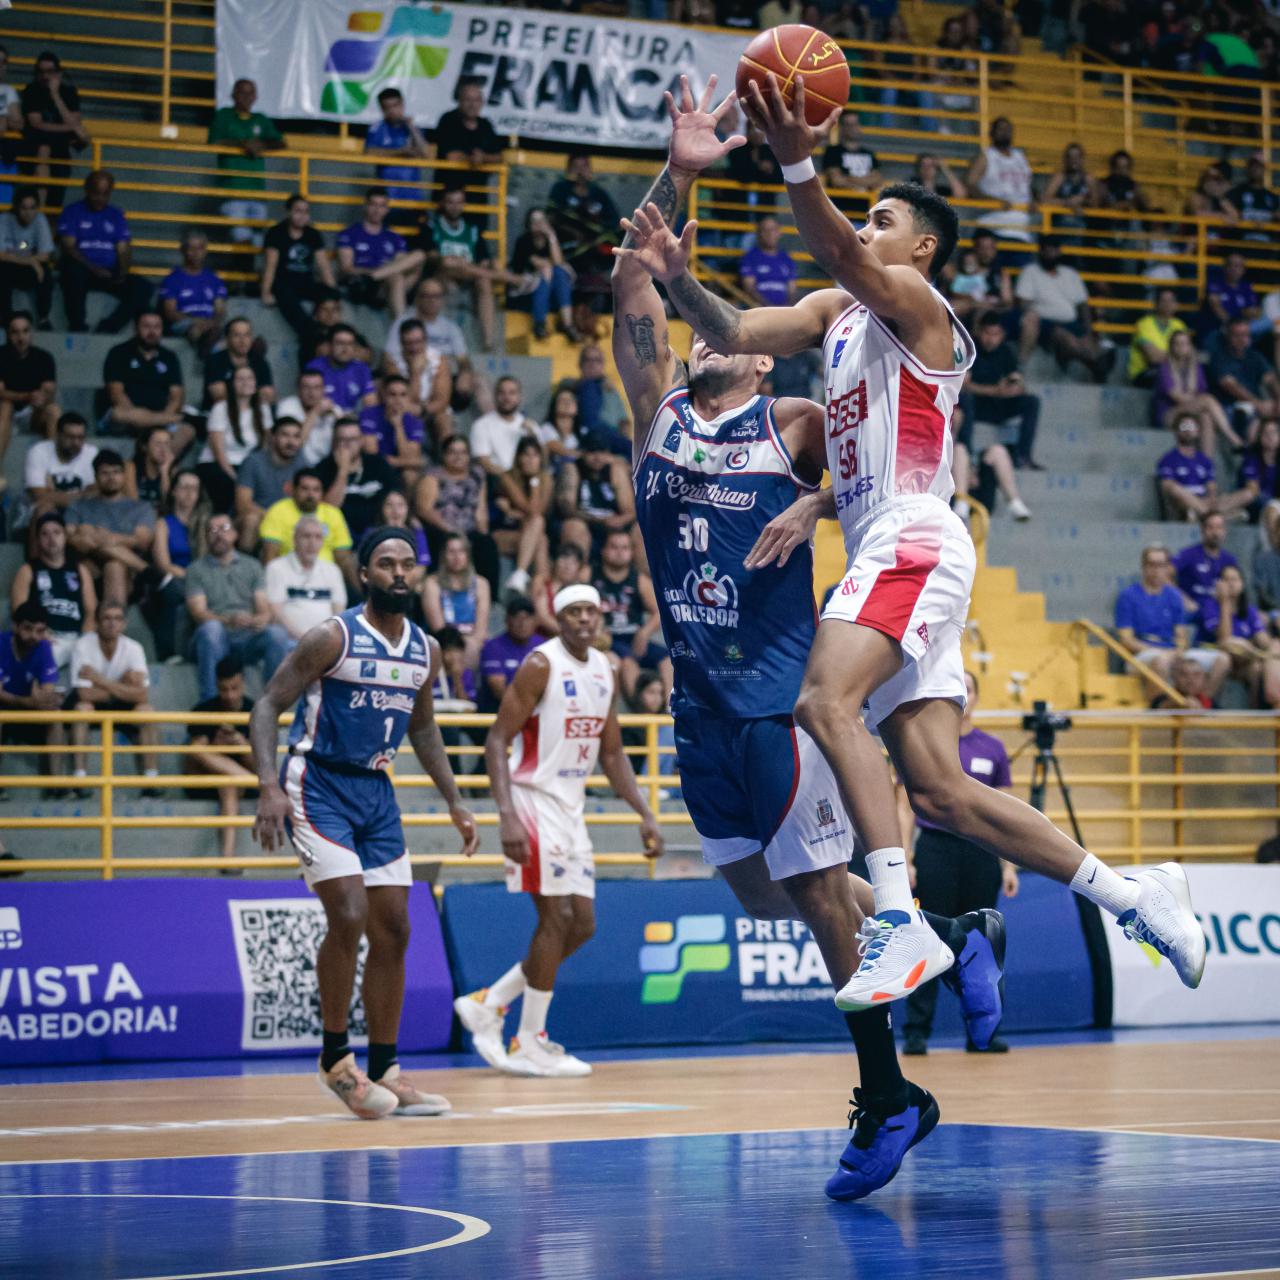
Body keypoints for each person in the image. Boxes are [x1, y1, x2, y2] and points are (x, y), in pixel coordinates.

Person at [640, 75, 1203, 1043]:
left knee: (821, 701)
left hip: (911, 533)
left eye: (883, 217)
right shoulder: (839, 311)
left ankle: (897, 920)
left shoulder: (917, 305)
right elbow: (732, 332)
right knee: (939, 788)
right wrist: (673, 275)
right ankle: (1132, 893)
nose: (868, 224)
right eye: (868, 215)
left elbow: (841, 253)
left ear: (921, 247)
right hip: (885, 539)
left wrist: (795, 158)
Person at [610, 81, 1015, 1205]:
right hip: (697, 704)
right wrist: (681, 168)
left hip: (780, 697)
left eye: (730, 344)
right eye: (701, 341)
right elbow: (639, 283)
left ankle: (888, 1093)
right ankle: (951, 920)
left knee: (829, 907)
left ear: (761, 371)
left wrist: (816, 506)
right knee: (765, 900)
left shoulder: (787, 421)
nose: (709, 347)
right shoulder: (655, 416)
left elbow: (875, 463)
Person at [251, 527, 478, 1118]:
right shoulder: (333, 637)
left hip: (375, 791)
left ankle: (386, 1069)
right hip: (318, 781)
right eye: (386, 563)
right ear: (365, 574)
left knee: (396, 928)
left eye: (408, 563)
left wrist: (454, 800)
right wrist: (268, 786)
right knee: (349, 912)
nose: (399, 572)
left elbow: (423, 729)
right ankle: (335, 1062)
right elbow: (267, 705)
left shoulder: (425, 649)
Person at [456, 585, 662, 1077]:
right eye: (574, 612)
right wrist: (505, 814)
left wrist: (645, 813)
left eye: (592, 610)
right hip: (530, 799)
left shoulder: (606, 671)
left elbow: (611, 754)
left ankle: (491, 1001)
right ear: (559, 618)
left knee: (582, 924)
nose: (585, 619)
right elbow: (496, 741)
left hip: (570, 807)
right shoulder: (539, 665)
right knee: (556, 916)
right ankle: (529, 1039)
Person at [901, 671, 1017, 1056]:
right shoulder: (926, 743)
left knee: (983, 943)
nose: (963, 695)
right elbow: (903, 806)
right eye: (958, 689)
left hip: (981, 851)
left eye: (969, 689)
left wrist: (1009, 865)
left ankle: (983, 1032)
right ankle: (917, 1030)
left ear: (978, 697)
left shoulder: (993, 748)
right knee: (928, 938)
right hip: (936, 848)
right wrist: (906, 856)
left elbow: (1006, 812)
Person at [185, 511, 290, 700]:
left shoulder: (252, 566)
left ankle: (274, 702)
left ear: (235, 534)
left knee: (277, 634)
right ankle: (209, 701)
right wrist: (229, 620)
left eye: (224, 528)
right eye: (212, 530)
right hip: (216, 637)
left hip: (247, 636)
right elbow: (198, 614)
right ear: (206, 536)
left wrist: (259, 620)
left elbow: (264, 609)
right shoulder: (195, 570)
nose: (218, 534)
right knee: (211, 629)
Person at [1115, 544, 1229, 699]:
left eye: (1161, 565)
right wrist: (1162, 653)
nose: (1156, 570)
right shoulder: (1127, 596)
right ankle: (1158, 715)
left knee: (1222, 660)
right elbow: (1126, 640)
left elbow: (1181, 636)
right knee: (1161, 661)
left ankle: (1201, 705)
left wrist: (1178, 652)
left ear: (1167, 568)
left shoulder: (1174, 596)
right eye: (1151, 565)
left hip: (1172, 652)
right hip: (1140, 656)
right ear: (1143, 567)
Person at [66, 599, 158, 787]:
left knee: (146, 710)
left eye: (117, 618)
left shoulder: (134, 648)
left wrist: (100, 680)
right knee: (82, 708)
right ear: (97, 622)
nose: (112, 623)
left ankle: (151, 780)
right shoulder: (82, 645)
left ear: (124, 623)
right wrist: (123, 685)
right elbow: (84, 694)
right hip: (95, 704)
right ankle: (80, 778)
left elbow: (142, 695)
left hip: (117, 703)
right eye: (106, 618)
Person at [416, 188, 518, 352]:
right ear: (442, 203)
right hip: (442, 277)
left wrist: (465, 266)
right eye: (450, 202)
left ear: (464, 204)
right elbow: (433, 257)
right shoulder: (432, 226)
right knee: (449, 262)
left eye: (459, 202)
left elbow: (483, 261)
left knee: (484, 281)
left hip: (470, 278)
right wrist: (459, 262)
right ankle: (514, 279)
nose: (454, 207)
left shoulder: (472, 229)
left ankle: (488, 342)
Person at [57, 170, 150, 334]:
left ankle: (109, 327)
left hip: (108, 272)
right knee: (71, 271)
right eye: (96, 193)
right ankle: (77, 325)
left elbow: (123, 248)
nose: (100, 198)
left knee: (143, 287)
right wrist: (94, 268)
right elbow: (68, 247)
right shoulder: (72, 212)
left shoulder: (116, 214)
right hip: (82, 270)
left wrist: (122, 272)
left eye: (105, 194)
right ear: (87, 190)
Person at [187, 656, 256, 867]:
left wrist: (242, 746)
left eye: (234, 688)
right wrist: (217, 747)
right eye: (223, 689)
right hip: (206, 780)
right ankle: (247, 779)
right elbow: (194, 759)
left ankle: (227, 859)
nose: (229, 695)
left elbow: (260, 765)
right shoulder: (203, 710)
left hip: (241, 785)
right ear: (216, 685)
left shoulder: (256, 711)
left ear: (243, 682)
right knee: (197, 748)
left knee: (229, 784)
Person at [1016, 238, 1115, 381]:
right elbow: (1023, 302)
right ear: (1040, 251)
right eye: (1047, 249)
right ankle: (1095, 361)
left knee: (1085, 340)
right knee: (1063, 336)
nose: (1050, 253)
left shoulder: (1071, 274)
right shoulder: (1030, 271)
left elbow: (1083, 305)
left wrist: (1088, 332)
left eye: (1053, 249)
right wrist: (1033, 315)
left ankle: (1093, 360)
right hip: (1045, 323)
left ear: (1059, 252)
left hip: (1071, 323)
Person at [65, 449, 154, 605]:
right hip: (87, 568)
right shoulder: (79, 506)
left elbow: (142, 541)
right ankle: (147, 570)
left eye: (116, 472)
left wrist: (99, 537)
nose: (111, 478)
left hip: (128, 573)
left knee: (114, 564)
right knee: (85, 531)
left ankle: (112, 623)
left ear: (124, 475)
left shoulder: (141, 507)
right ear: (95, 477)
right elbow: (70, 539)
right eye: (105, 473)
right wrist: (119, 539)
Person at [11, 512, 95, 672]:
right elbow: (19, 611)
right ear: (37, 541)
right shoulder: (28, 570)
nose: (51, 538)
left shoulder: (80, 570)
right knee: (44, 660)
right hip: (45, 637)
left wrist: (86, 640)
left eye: (56, 532)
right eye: (45, 534)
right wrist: (40, 633)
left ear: (65, 537)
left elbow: (91, 611)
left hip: (76, 637)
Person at [592, 525, 668, 701]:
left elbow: (659, 612)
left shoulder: (640, 580)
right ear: (603, 550)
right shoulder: (590, 574)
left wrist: (645, 632)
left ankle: (670, 713)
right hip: (606, 638)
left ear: (632, 552)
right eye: (614, 547)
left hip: (634, 637)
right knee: (627, 661)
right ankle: (639, 715)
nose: (619, 552)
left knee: (667, 659)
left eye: (625, 548)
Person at [414, 434, 500, 589]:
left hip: (469, 529)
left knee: (486, 544)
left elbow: (480, 508)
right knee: (444, 542)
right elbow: (424, 509)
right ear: (444, 455)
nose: (458, 457)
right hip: (441, 529)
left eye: (462, 452)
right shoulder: (433, 476)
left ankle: (490, 597)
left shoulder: (477, 474)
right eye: (452, 452)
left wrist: (483, 531)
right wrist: (452, 530)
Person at [207, 78, 284, 248]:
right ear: (233, 95)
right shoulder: (223, 116)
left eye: (250, 93)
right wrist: (243, 144)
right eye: (242, 92)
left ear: (256, 97)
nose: (246, 97)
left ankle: (253, 273)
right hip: (232, 191)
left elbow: (281, 143)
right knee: (241, 238)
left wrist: (262, 145)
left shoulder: (261, 119)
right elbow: (214, 142)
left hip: (257, 192)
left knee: (259, 243)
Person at [102, 310, 189, 451]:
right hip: (129, 417)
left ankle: (163, 465)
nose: (152, 332)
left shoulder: (170, 357)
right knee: (118, 414)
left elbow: (176, 396)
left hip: (162, 417)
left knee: (187, 430)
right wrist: (159, 419)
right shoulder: (118, 353)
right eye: (146, 326)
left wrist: (160, 418)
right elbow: (116, 395)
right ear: (136, 328)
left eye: (157, 327)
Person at [966, 311, 1042, 470]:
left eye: (996, 334)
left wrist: (1016, 387)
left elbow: (1016, 378)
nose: (991, 339)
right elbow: (963, 385)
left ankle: (1023, 456)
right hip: (977, 406)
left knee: (1032, 401)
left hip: (1000, 405)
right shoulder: (970, 350)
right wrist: (995, 391)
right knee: (965, 399)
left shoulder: (1006, 351)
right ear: (980, 332)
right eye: (987, 333)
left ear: (1002, 335)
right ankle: (967, 455)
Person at [0, 601, 64, 785]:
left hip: (26, 708)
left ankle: (56, 784)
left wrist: (44, 698)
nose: (33, 636)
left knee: (55, 717)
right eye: (28, 629)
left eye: (40, 630)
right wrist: (27, 701)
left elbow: (47, 692)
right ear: (15, 626)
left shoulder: (44, 647)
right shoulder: (1, 644)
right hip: (6, 707)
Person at [1198, 563, 1280, 706]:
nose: (1230, 584)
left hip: (1244, 660)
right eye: (1226, 579)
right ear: (1218, 584)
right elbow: (1224, 640)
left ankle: (1255, 714)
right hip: (1214, 654)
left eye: (1235, 579)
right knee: (1232, 646)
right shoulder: (1210, 605)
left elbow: (1263, 641)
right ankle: (1203, 704)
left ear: (1242, 584)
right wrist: (1225, 603)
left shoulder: (1249, 610)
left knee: (1257, 667)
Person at [258, 469, 355, 589]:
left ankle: (363, 598)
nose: (310, 495)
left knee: (352, 562)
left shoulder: (333, 514)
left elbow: (342, 557)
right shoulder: (278, 510)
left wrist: (336, 584)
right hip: (289, 574)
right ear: (294, 490)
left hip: (326, 576)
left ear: (322, 493)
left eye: (316, 490)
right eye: (305, 489)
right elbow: (270, 554)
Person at [148, 468, 207, 663]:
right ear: (173, 491)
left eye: (194, 488)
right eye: (184, 487)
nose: (190, 493)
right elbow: (163, 563)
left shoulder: (205, 522)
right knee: (174, 590)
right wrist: (191, 576)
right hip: (174, 577)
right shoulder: (164, 524)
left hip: (201, 579)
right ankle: (169, 652)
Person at [336, 187, 422, 318]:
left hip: (386, 284)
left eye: (382, 206)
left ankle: (376, 276)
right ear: (365, 206)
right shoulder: (350, 234)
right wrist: (370, 272)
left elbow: (402, 265)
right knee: (397, 277)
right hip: (364, 286)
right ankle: (402, 327)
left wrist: (380, 273)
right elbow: (346, 268)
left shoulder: (394, 238)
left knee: (419, 256)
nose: (377, 210)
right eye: (373, 205)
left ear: (387, 209)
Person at [315, 415, 403, 543]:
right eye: (342, 439)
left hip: (378, 530)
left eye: (353, 439)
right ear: (334, 442)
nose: (348, 444)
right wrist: (343, 471)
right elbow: (328, 510)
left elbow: (396, 497)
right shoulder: (323, 468)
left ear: (361, 440)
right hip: (340, 534)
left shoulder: (378, 463)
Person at [261, 194, 335, 341]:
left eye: (306, 212)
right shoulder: (276, 233)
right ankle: (310, 332)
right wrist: (265, 293)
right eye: (298, 211)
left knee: (329, 294)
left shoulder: (313, 234)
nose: (302, 216)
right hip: (283, 283)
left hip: (305, 283)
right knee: (287, 298)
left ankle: (332, 331)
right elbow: (270, 266)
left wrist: (333, 293)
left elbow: (324, 266)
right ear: (288, 212)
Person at [201, 364, 274, 515]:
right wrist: (239, 479)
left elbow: (267, 446)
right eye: (240, 379)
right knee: (227, 485)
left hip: (248, 466)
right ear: (232, 384)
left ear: (255, 384)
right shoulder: (220, 408)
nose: (245, 382)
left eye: (250, 378)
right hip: (220, 466)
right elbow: (219, 454)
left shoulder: (263, 409)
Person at [19, 51, 88, 211]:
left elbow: (75, 122)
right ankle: (40, 212)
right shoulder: (31, 91)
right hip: (37, 147)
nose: (45, 76)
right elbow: (36, 124)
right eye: (41, 72)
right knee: (43, 148)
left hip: (60, 150)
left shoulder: (69, 92)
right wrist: (70, 128)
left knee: (56, 205)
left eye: (50, 72)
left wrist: (55, 95)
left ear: (59, 73)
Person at [265, 514, 347, 648]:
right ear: (295, 539)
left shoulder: (333, 570)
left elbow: (338, 613)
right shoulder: (276, 568)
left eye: (318, 537)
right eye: (306, 536)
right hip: (290, 641)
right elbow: (276, 613)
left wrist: (324, 639)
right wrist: (304, 639)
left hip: (325, 642)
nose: (312, 543)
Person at [554, 430, 635, 558]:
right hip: (584, 521)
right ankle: (578, 575)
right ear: (583, 453)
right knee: (574, 526)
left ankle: (646, 577)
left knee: (640, 531)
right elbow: (567, 510)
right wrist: (597, 520)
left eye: (602, 452)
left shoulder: (615, 470)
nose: (597, 457)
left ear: (608, 454)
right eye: (592, 452)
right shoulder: (572, 468)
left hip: (612, 525)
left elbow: (630, 511)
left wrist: (620, 520)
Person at [1156, 330, 1240, 452]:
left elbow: (1200, 393)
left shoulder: (1196, 368)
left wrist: (1200, 401)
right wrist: (1200, 401)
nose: (1181, 347)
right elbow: (1178, 398)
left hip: (1189, 418)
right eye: (1177, 344)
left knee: (1206, 417)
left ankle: (1207, 465)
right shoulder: (1164, 368)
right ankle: (1233, 438)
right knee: (1207, 400)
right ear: (1171, 347)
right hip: (1169, 416)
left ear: (1190, 346)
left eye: (1184, 344)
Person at [549, 153, 620, 289]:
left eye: (584, 167)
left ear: (590, 170)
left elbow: (614, 220)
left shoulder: (598, 192)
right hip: (570, 244)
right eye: (576, 167)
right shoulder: (560, 189)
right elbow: (552, 217)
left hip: (596, 243)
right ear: (568, 170)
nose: (580, 171)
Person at [491, 435, 551, 597]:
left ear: (541, 458)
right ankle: (543, 592)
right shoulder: (507, 478)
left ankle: (522, 576)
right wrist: (535, 483)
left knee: (541, 539)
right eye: (526, 454)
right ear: (518, 457)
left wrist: (535, 482)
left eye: (534, 455)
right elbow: (531, 510)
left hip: (528, 535)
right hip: (502, 534)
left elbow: (538, 511)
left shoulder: (546, 480)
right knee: (538, 524)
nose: (530, 460)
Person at [235, 416, 305, 552]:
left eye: (296, 436)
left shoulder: (302, 465)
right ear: (272, 437)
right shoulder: (253, 462)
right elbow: (243, 504)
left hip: (287, 524)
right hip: (260, 519)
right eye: (285, 435)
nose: (291, 442)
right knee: (251, 520)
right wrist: (275, 518)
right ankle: (246, 569)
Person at [422, 532, 491, 669]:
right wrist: (460, 647)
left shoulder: (481, 583)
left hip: (474, 643)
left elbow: (481, 628)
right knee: (453, 655)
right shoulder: (432, 583)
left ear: (468, 555)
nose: (456, 557)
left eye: (461, 551)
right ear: (443, 556)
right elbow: (438, 628)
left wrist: (472, 644)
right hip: (445, 643)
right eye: (451, 551)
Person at [509, 208, 578, 341]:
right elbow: (538, 263)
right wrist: (549, 265)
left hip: (551, 287)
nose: (538, 224)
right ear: (528, 224)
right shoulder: (524, 241)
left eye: (541, 220)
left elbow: (557, 262)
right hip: (526, 288)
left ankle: (568, 324)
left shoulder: (551, 239)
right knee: (547, 271)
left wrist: (551, 236)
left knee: (559, 272)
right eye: (534, 221)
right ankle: (539, 323)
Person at [0, 311, 59, 467]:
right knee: (6, 406)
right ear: (7, 333)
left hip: (31, 415)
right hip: (4, 415)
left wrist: (42, 398)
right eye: (15, 332)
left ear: (31, 332)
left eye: (25, 331)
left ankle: (52, 470)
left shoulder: (44, 358)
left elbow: (49, 392)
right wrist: (26, 396)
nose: (21, 338)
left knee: (53, 411)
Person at [381, 318, 452, 444]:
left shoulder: (439, 360)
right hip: (401, 408)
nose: (414, 348)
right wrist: (415, 373)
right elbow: (404, 398)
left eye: (418, 342)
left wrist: (422, 410)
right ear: (401, 343)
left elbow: (442, 400)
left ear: (425, 340)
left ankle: (447, 461)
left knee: (444, 419)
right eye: (409, 343)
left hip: (429, 409)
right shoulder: (392, 362)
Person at [157, 230, 227, 358]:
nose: (196, 253)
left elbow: (220, 310)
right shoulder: (172, 279)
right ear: (183, 251)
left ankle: (208, 349)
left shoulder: (214, 279)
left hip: (210, 323)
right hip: (185, 323)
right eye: (191, 248)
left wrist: (212, 322)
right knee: (196, 330)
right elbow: (170, 312)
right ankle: (210, 352)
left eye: (200, 248)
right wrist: (196, 321)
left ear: (205, 251)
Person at [1209, 317, 1280, 440]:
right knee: (1255, 420)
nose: (1242, 339)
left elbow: (1270, 379)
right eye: (1237, 335)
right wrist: (1258, 404)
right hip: (1229, 408)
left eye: (1246, 335)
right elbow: (1231, 385)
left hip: (1257, 406)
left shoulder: (1254, 356)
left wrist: (1278, 399)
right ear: (1228, 336)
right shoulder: (1219, 357)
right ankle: (1250, 456)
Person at [967, 116, 1035, 242]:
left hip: (1021, 229)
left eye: (1008, 129)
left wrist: (1033, 200)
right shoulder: (986, 157)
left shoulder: (1020, 157)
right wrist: (992, 201)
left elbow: (1028, 185)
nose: (1005, 132)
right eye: (1001, 129)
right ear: (992, 133)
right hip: (994, 227)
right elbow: (970, 184)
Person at [364, 87, 430, 212]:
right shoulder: (376, 129)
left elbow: (426, 153)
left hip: (413, 196)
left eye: (395, 105)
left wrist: (411, 127)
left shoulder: (413, 129)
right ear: (382, 109)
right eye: (387, 107)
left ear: (402, 104)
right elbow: (369, 153)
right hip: (386, 199)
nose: (392, 110)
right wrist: (402, 152)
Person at [23, 409, 96, 517]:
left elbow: (96, 494)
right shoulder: (38, 451)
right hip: (45, 515)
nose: (76, 442)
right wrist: (82, 496)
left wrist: (52, 494)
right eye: (70, 437)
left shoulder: (92, 453)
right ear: (58, 435)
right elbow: (39, 496)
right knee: (45, 508)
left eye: (80, 438)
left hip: (81, 514)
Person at [432, 77, 504, 184]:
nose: (472, 105)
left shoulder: (486, 125)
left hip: (478, 193)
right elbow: (451, 156)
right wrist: (472, 159)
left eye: (476, 100)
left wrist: (483, 157)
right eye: (468, 100)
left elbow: (500, 158)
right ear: (459, 101)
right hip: (450, 194)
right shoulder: (448, 120)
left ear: (482, 102)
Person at [0, 189, 56, 326]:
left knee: (46, 274)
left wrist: (31, 261)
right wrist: (30, 260)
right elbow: (1, 255)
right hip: (11, 266)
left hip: (29, 267)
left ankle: (43, 318)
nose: (28, 212)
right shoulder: (4, 219)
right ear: (16, 207)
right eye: (24, 208)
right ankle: (4, 318)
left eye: (32, 208)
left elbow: (45, 255)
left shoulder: (40, 219)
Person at [358, 374, 427, 482]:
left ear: (408, 398)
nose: (398, 400)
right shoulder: (369, 414)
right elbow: (371, 455)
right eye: (392, 394)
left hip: (398, 469)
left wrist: (398, 426)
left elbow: (409, 456)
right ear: (384, 396)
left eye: (403, 395)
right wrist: (414, 462)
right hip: (373, 468)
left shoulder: (415, 421)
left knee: (410, 474)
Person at [1173, 510, 1239, 621]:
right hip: (1195, 609)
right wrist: (1183, 599)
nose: (1215, 532)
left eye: (1219, 527)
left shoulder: (1229, 559)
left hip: (1219, 608)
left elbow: (1237, 587)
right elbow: (1164, 575)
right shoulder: (1189, 554)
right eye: (1210, 527)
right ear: (1202, 530)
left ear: (1225, 531)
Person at [479, 594, 540, 712]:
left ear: (535, 621)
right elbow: (499, 691)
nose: (522, 623)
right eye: (517, 617)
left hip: (536, 710)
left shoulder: (544, 646)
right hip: (499, 712)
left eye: (527, 617)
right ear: (507, 620)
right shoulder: (493, 647)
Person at [470, 376, 539, 477]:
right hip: (497, 479)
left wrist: (533, 435)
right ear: (495, 396)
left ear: (520, 397)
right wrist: (510, 478)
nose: (507, 398)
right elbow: (485, 463)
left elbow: (542, 461)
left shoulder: (530, 425)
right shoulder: (481, 425)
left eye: (512, 393)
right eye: (502, 393)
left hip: (525, 479)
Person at [1157, 416, 1221, 522]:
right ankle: (1209, 515)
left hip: (1204, 500)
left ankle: (1201, 514)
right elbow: (1167, 487)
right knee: (1172, 487)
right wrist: (1193, 500)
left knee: (1246, 493)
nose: (1188, 430)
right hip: (1182, 502)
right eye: (1184, 427)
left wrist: (1211, 498)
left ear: (1198, 431)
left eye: (1191, 427)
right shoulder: (1168, 459)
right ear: (1176, 432)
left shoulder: (1205, 461)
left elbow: (1211, 486)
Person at [305, 323, 377, 414]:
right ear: (329, 346)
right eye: (340, 343)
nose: (345, 349)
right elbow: (309, 402)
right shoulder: (315, 367)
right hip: (322, 419)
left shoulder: (362, 369)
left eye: (350, 344)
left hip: (352, 421)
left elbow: (370, 403)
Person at [205, 316, 275, 408]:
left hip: (253, 414)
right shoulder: (215, 360)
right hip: (222, 414)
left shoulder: (260, 362)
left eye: (247, 335)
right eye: (237, 335)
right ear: (227, 339)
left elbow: (268, 396)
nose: (243, 341)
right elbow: (219, 396)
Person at [276, 369, 339, 468]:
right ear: (298, 389)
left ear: (323, 389)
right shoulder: (287, 406)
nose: (311, 393)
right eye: (306, 387)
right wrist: (315, 412)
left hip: (327, 466)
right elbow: (294, 443)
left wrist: (338, 418)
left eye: (316, 387)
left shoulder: (332, 407)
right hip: (295, 465)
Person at [1130, 288, 1188, 388]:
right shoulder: (1144, 324)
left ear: (1176, 305)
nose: (1168, 304)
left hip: (1172, 371)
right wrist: (1177, 357)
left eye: (1171, 301)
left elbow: (1187, 354)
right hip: (1145, 373)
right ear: (1156, 304)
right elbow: (1153, 358)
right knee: (1167, 376)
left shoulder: (1179, 325)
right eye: (1164, 301)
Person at [821, 112, 882, 205]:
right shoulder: (832, 152)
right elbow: (837, 181)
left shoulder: (869, 153)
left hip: (865, 210)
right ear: (841, 128)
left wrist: (849, 179)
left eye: (855, 124)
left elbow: (877, 181)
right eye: (848, 124)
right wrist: (864, 183)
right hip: (840, 208)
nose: (852, 128)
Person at [739, 214, 797, 307]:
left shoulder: (786, 259)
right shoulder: (750, 258)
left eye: (773, 230)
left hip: (783, 311)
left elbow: (792, 291)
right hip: (758, 309)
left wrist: (788, 308)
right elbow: (749, 289)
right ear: (759, 233)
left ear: (779, 233)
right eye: (765, 230)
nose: (769, 234)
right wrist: (769, 308)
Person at [532, 541, 587, 637]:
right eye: (563, 560)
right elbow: (542, 617)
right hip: (544, 639)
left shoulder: (582, 591)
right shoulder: (543, 586)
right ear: (554, 562)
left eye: (573, 562)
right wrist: (572, 634)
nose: (567, 566)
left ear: (580, 567)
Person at [1042, 142, 1098, 235]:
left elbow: (1096, 203)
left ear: (1082, 159)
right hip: (1060, 226)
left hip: (1082, 227)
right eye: (1070, 157)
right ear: (1065, 159)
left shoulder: (1089, 179)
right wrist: (1067, 203)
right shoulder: (1060, 177)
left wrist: (1083, 201)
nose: (1074, 160)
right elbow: (1045, 200)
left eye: (1077, 157)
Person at [124, 425, 173, 510]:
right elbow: (133, 505)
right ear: (144, 446)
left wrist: (164, 472)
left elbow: (170, 506)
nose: (163, 449)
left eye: (167, 443)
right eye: (158, 444)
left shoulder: (171, 471)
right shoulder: (130, 467)